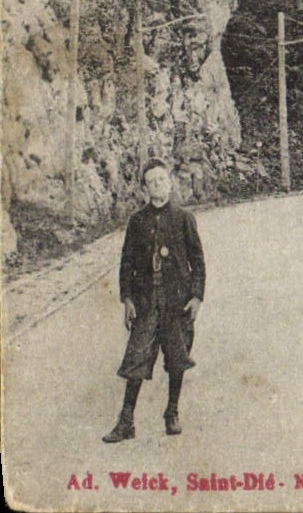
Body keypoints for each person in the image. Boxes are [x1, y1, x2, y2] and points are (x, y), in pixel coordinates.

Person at [102, 159, 205, 443]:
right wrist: (127, 299)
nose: (157, 185)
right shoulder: (137, 221)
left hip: (177, 302)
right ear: (145, 189)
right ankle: (126, 422)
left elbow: (198, 261)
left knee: (177, 358)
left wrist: (196, 297)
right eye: (151, 181)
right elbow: (126, 263)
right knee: (136, 358)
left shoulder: (184, 218)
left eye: (161, 179)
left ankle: (171, 413)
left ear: (169, 182)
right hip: (147, 301)